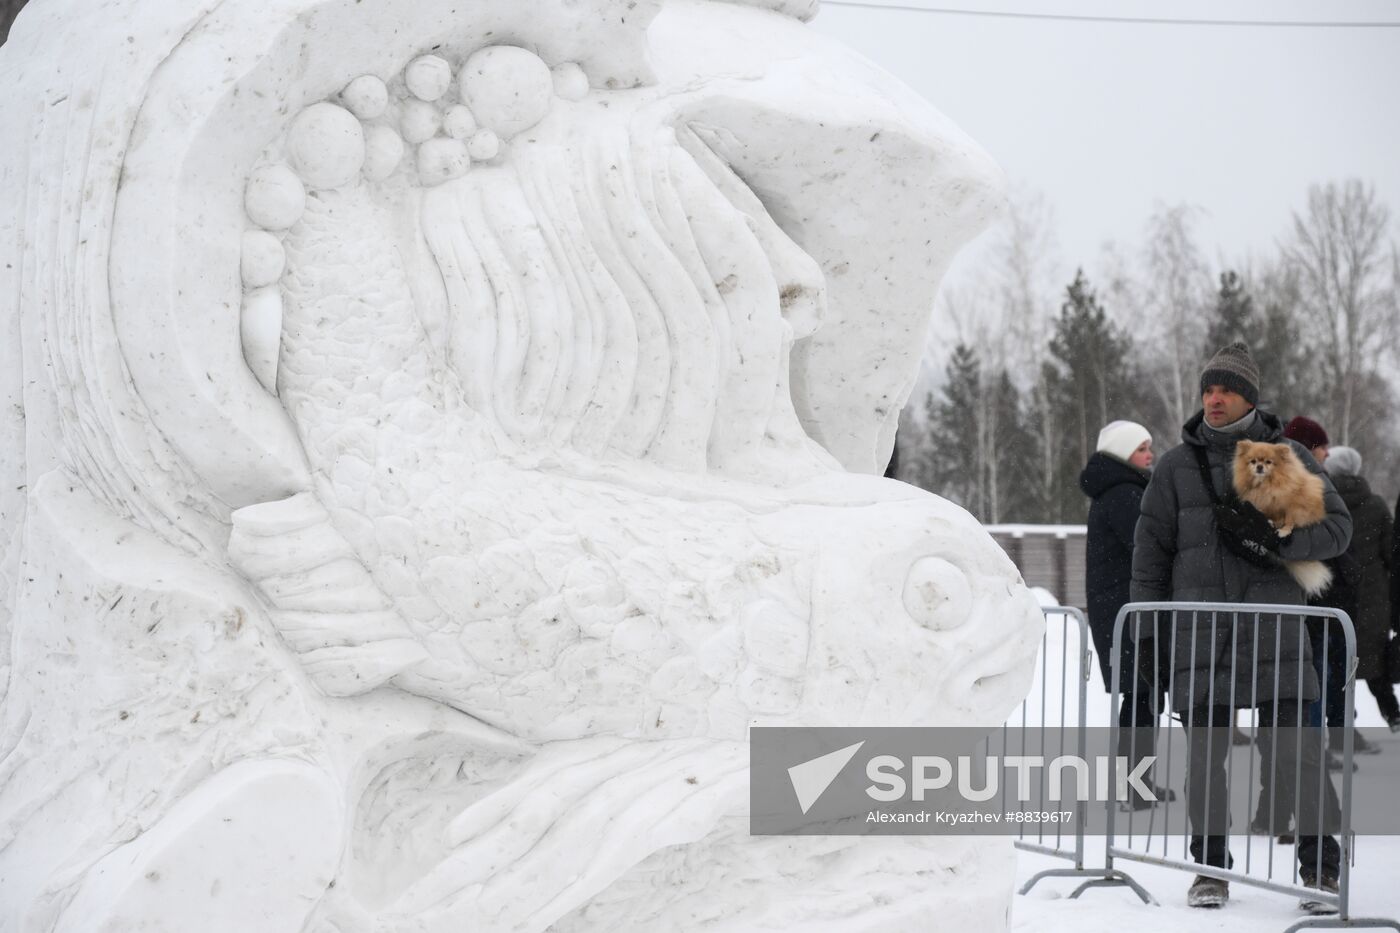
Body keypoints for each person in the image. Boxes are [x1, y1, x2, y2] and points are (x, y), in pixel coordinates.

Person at [1132, 343, 1351, 912]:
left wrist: (1280, 539)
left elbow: (1338, 532)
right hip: (1202, 635)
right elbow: (1150, 552)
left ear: (1248, 397)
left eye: (1224, 389)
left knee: (1297, 755)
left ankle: (1322, 872)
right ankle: (1209, 870)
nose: (1213, 398)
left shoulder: (1289, 454)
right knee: (1205, 759)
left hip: (1275, 634)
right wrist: (1148, 634)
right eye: (1208, 389)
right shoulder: (1176, 467)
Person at [1080, 420, 1173, 807]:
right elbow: (1148, 548)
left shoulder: (1120, 490)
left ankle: (1135, 782)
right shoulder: (1124, 494)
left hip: (1122, 611)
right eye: (1141, 448)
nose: (1150, 454)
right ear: (1122, 453)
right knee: (1143, 699)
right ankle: (1134, 786)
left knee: (1142, 698)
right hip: (1129, 615)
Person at [1324, 447, 1400, 732]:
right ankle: (1391, 713)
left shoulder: (1324, 501)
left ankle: (1344, 725)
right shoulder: (1376, 504)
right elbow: (1391, 553)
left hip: (1337, 593)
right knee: (1373, 658)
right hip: (1373, 597)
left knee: (1337, 661)